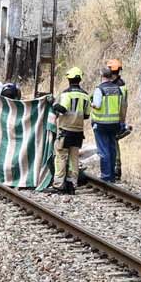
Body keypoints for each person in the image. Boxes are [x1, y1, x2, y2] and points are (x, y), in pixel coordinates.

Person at [49, 67, 90, 195]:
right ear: (79, 79)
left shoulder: (66, 94)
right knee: (74, 158)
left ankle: (59, 184)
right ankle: (72, 183)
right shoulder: (85, 96)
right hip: (78, 131)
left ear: (69, 79)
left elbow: (63, 109)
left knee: (61, 156)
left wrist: (53, 104)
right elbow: (87, 115)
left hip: (65, 131)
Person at [90, 58, 130, 182]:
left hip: (104, 122)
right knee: (112, 147)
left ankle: (109, 174)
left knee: (106, 149)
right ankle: (114, 172)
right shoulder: (121, 87)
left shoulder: (106, 88)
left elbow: (98, 104)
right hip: (116, 122)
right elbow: (123, 106)